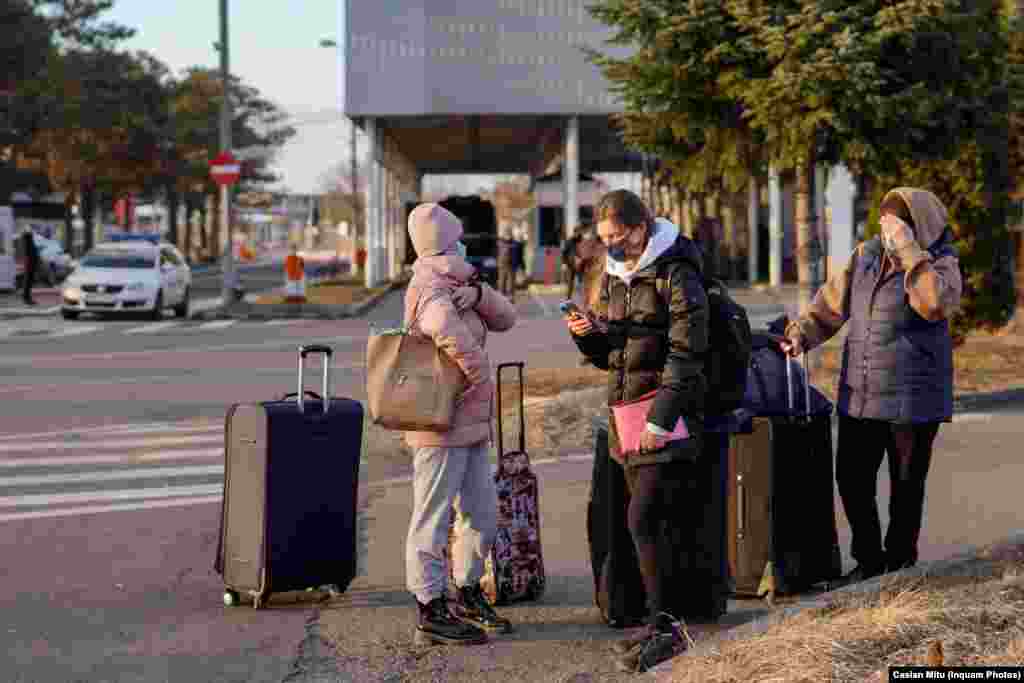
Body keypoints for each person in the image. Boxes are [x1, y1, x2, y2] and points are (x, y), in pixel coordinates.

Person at [780, 188, 962, 584]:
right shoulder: (865, 256)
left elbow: (934, 304)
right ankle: (869, 560)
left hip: (913, 399)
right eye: (884, 223)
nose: (886, 232)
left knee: (905, 486)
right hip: (860, 393)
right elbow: (830, 305)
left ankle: (899, 565)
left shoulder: (940, 263)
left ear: (916, 227)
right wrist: (802, 333)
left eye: (895, 226)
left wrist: (910, 252)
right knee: (851, 478)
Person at [565, 189, 709, 673]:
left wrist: (660, 419)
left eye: (618, 236)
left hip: (667, 414)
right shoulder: (613, 275)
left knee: (644, 518)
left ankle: (667, 626)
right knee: (652, 522)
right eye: (604, 238)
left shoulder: (677, 272)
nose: (611, 246)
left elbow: (687, 352)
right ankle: (662, 621)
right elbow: (614, 355)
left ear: (641, 228)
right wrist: (588, 337)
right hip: (626, 415)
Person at [403, 202, 518, 647]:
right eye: (458, 239)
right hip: (438, 422)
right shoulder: (428, 285)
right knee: (432, 518)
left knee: (481, 513)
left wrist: (480, 294)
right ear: (446, 243)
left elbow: (507, 318)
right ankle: (430, 608)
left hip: (469, 422)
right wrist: (481, 376)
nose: (464, 245)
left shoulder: (460, 282)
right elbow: (443, 329)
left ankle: (468, 591)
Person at [561, 226, 585, 299]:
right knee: (570, 283)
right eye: (576, 232)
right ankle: (568, 298)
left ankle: (584, 298)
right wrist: (564, 263)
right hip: (570, 264)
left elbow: (586, 252)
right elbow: (564, 253)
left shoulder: (583, 241)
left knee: (582, 282)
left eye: (579, 232)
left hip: (580, 265)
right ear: (574, 233)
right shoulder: (569, 241)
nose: (577, 234)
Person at [496, 226, 517, 300]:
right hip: (505, 263)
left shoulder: (502, 242)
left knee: (508, 280)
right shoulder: (503, 243)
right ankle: (504, 294)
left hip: (508, 263)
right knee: (504, 279)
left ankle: (507, 295)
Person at [20, 229, 39, 305]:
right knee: (28, 280)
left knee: (29, 280)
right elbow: (30, 254)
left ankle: (26, 296)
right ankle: (26, 297)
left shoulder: (28, 242)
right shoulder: (28, 242)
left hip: (30, 262)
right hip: (30, 262)